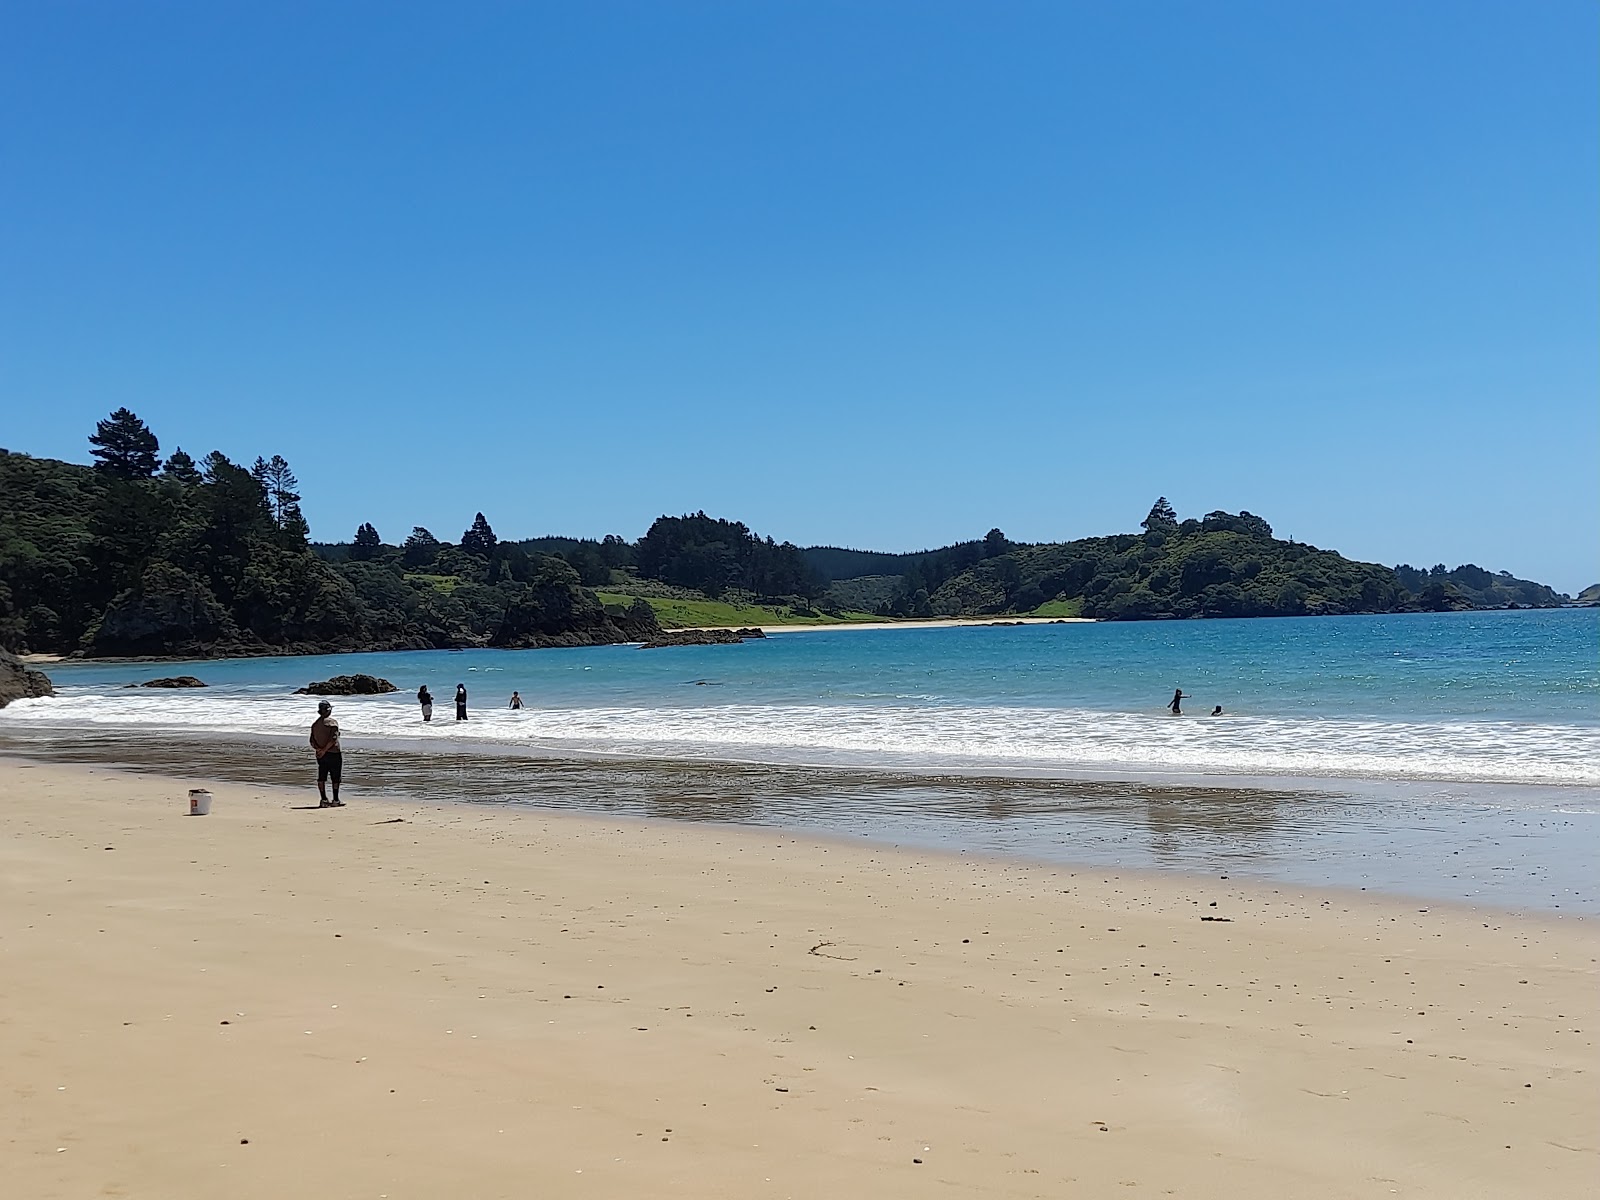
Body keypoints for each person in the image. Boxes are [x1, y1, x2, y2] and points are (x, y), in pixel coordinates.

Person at [309, 700, 344, 807]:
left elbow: (311, 741)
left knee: (322, 776)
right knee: (335, 777)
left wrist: (319, 750)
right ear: (328, 710)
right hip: (333, 753)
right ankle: (336, 800)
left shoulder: (315, 725)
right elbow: (333, 739)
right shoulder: (332, 723)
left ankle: (323, 799)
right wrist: (325, 749)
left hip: (320, 755)